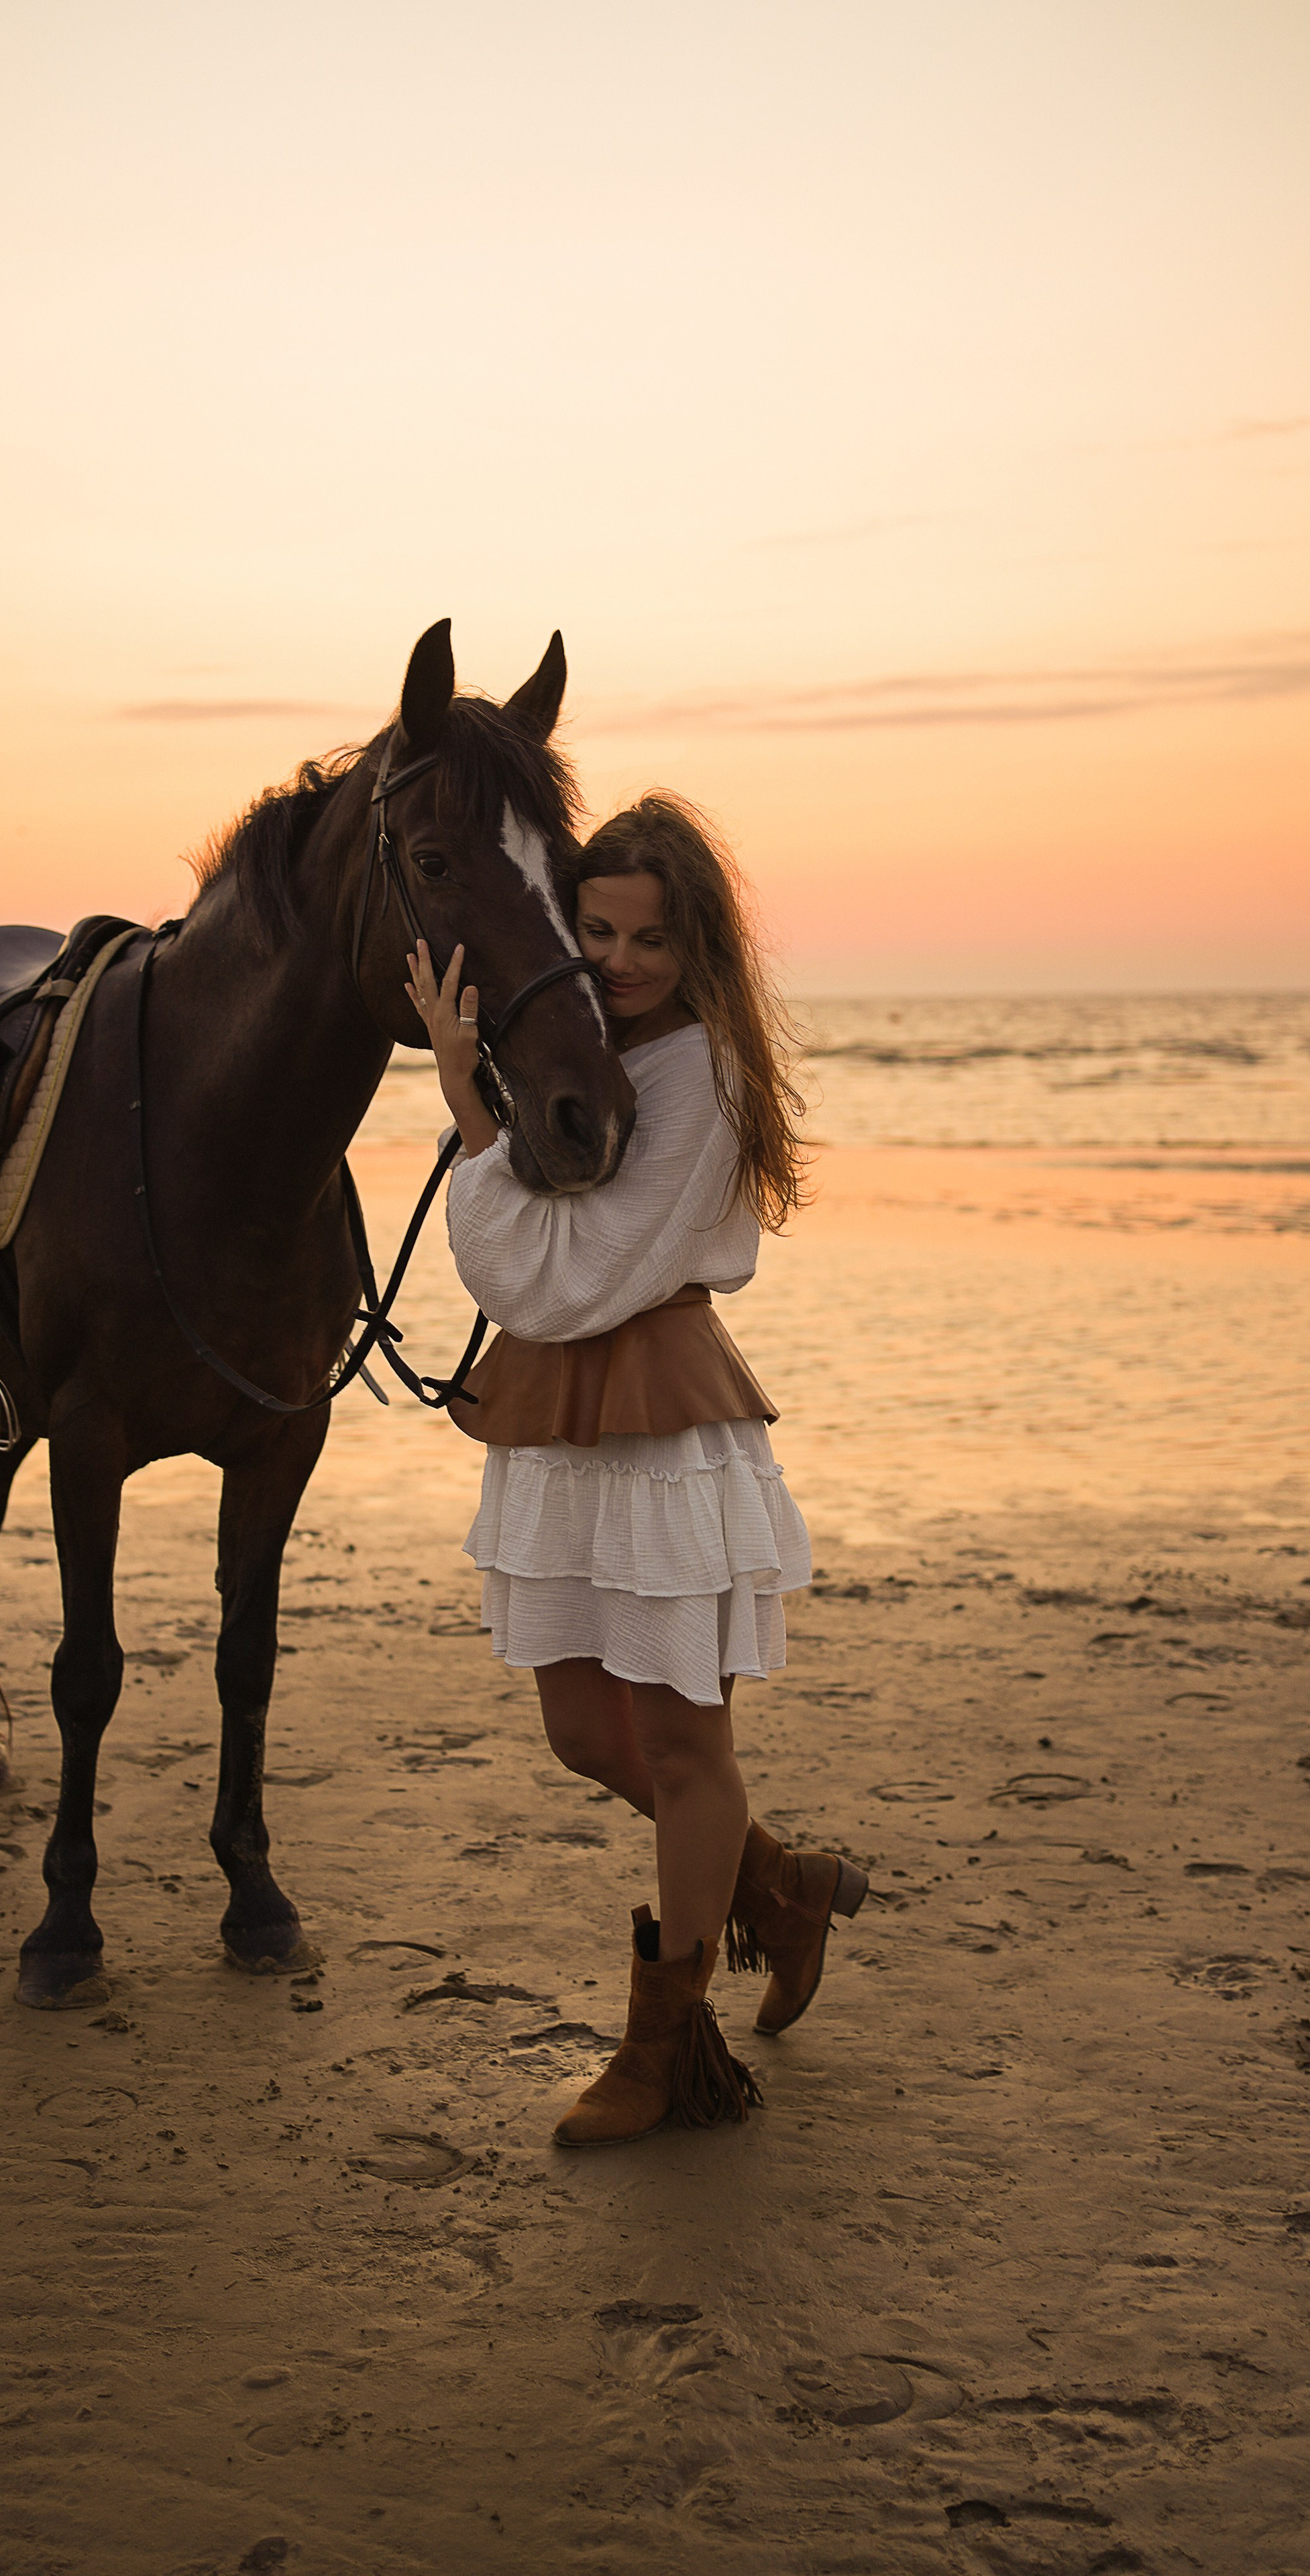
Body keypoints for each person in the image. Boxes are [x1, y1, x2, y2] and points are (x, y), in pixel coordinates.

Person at [406, 793, 869, 2148]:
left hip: (656, 1410)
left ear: (697, 946)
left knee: (680, 1743)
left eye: (650, 939)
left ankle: (664, 2055)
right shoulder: (589, 1049)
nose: (618, 960)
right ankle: (777, 1888)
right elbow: (540, 1269)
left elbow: (568, 1276)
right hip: (563, 1409)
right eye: (596, 931)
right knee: (579, 1731)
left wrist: (465, 1103)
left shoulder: (704, 1073)